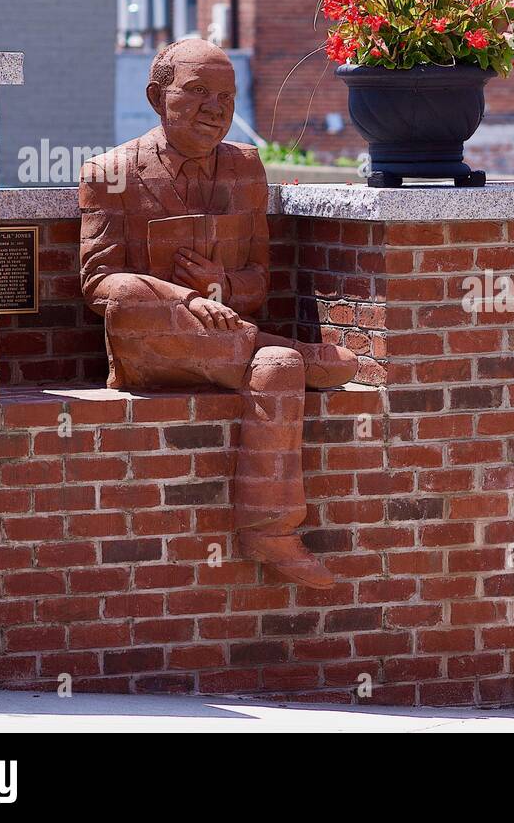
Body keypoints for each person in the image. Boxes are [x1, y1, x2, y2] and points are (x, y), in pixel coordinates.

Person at [79, 38, 357, 588]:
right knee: (131, 297)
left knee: (279, 369)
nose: (215, 108)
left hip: (227, 339)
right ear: (159, 97)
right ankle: (293, 350)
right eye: (198, 91)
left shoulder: (246, 168)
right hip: (153, 346)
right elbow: (98, 284)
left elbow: (259, 280)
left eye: (226, 97)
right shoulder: (109, 171)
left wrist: (224, 284)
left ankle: (270, 532)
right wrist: (186, 300)